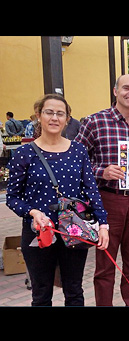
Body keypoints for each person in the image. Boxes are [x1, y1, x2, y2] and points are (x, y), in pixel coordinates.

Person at [6, 94, 109, 306]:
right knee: (41, 293)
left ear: (67, 119)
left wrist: (103, 224)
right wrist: (33, 212)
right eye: (49, 112)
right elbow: (12, 198)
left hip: (73, 231)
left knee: (74, 290)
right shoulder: (24, 153)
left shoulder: (78, 150)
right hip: (38, 232)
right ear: (39, 115)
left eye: (60, 113)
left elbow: (91, 191)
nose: (54, 118)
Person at [75, 74, 129, 306]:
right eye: (126, 88)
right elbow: (76, 160)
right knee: (106, 263)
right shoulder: (94, 121)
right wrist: (102, 171)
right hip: (109, 201)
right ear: (115, 91)